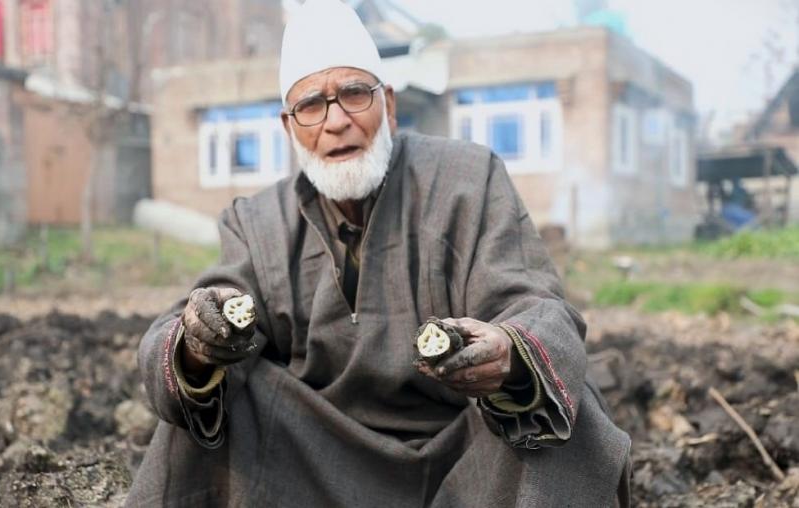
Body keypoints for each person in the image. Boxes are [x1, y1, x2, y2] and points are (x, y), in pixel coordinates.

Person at [127, 1, 631, 506]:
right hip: (315, 466)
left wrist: (508, 351)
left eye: (354, 94)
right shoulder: (256, 222)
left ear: (388, 104)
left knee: (562, 405)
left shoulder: (468, 180)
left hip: (465, 457)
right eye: (311, 106)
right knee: (203, 399)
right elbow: (193, 323)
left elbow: (536, 305)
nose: (337, 121)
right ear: (289, 127)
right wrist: (197, 343)